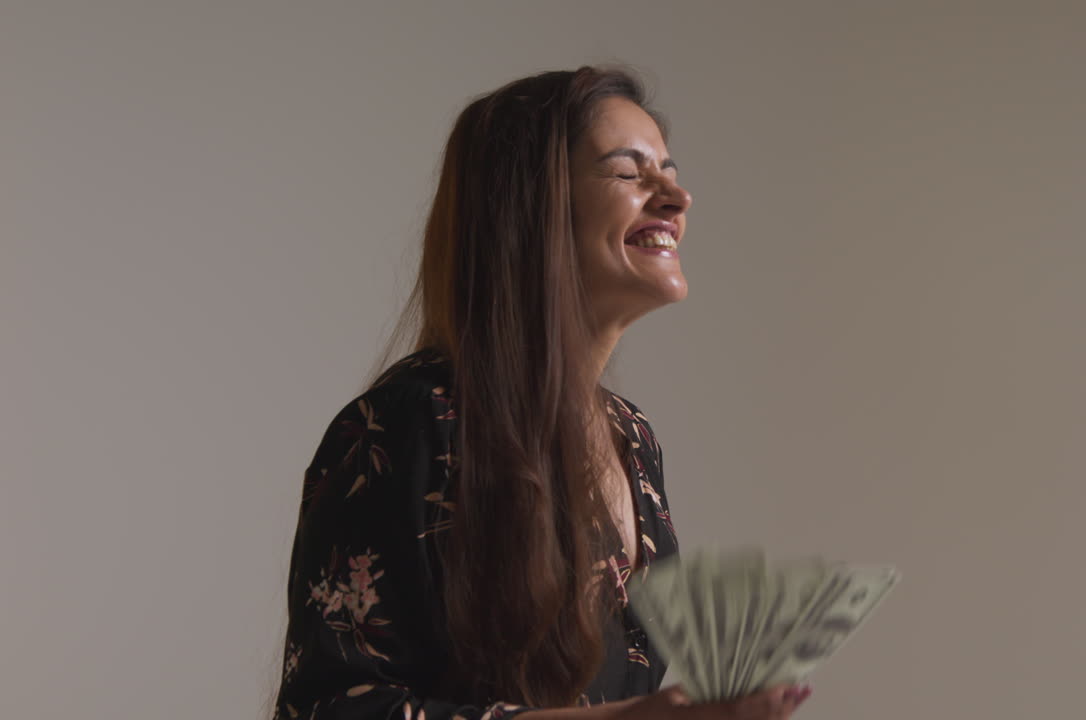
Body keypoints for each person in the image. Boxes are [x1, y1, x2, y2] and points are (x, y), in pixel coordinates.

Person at [270, 65, 812, 720]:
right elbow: (329, 710)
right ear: (530, 206)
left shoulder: (633, 440)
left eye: (668, 170)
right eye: (629, 172)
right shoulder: (410, 423)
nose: (675, 197)